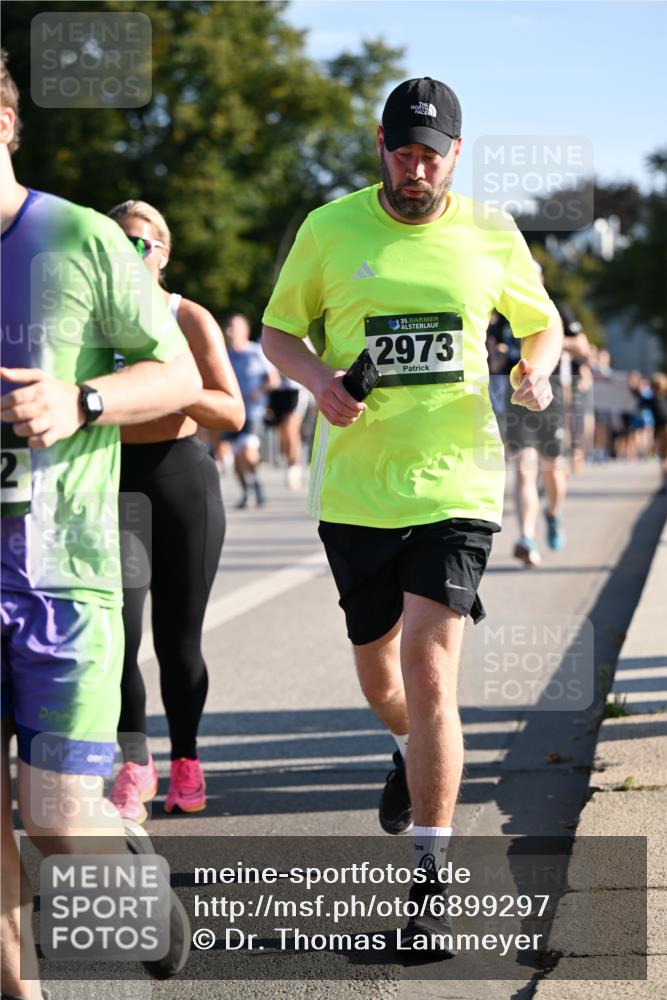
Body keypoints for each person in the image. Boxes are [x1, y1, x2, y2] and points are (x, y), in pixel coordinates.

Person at [261, 76, 563, 953]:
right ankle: (403, 750)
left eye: (432, 154)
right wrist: (318, 381)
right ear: (380, 145)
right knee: (380, 677)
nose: (416, 167)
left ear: (456, 155)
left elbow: (539, 322)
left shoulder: (489, 232)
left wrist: (533, 368)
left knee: (432, 675)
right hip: (355, 490)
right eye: (403, 150)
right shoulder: (329, 227)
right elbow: (282, 331)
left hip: (456, 482)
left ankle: (430, 883)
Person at [0, 52, 199, 998]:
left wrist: (80, 399)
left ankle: (137, 890)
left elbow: (177, 377)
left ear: (5, 124)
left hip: (61, 578)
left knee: (56, 825)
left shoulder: (78, 238)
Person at [106, 200, 245, 823]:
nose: (132, 254)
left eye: (143, 243)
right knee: (116, 640)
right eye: (118, 243)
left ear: (164, 253)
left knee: (177, 642)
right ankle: (134, 763)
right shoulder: (86, 321)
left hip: (180, 480)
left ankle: (186, 759)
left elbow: (232, 412)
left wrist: (173, 384)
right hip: (108, 485)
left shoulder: (186, 317)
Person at [501, 270, 589, 565]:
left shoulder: (557, 309)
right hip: (515, 400)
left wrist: (547, 340)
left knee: (552, 471)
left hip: (552, 398)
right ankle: (526, 537)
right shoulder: (503, 310)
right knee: (525, 470)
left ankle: (552, 514)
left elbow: (583, 348)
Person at [223, 313, 278, 508]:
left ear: (245, 331)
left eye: (235, 327)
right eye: (228, 327)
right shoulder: (224, 354)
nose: (230, 332)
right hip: (232, 412)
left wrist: (259, 391)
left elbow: (274, 380)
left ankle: (256, 482)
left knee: (248, 450)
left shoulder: (257, 352)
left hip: (254, 411)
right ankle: (246, 491)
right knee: (237, 457)